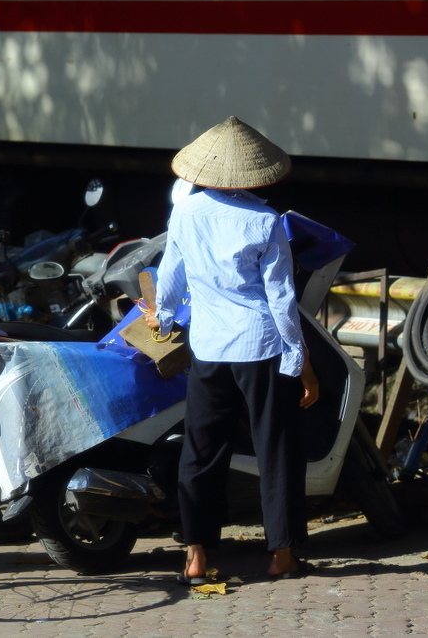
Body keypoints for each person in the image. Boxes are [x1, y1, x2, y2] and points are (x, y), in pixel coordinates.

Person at [144, 116, 320, 583]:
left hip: (209, 346)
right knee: (276, 448)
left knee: (201, 451)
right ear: (255, 173)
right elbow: (281, 299)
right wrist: (300, 362)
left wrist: (161, 316)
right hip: (260, 345)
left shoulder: (184, 212)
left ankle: (197, 556)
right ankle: (282, 555)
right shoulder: (265, 221)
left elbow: (171, 271)